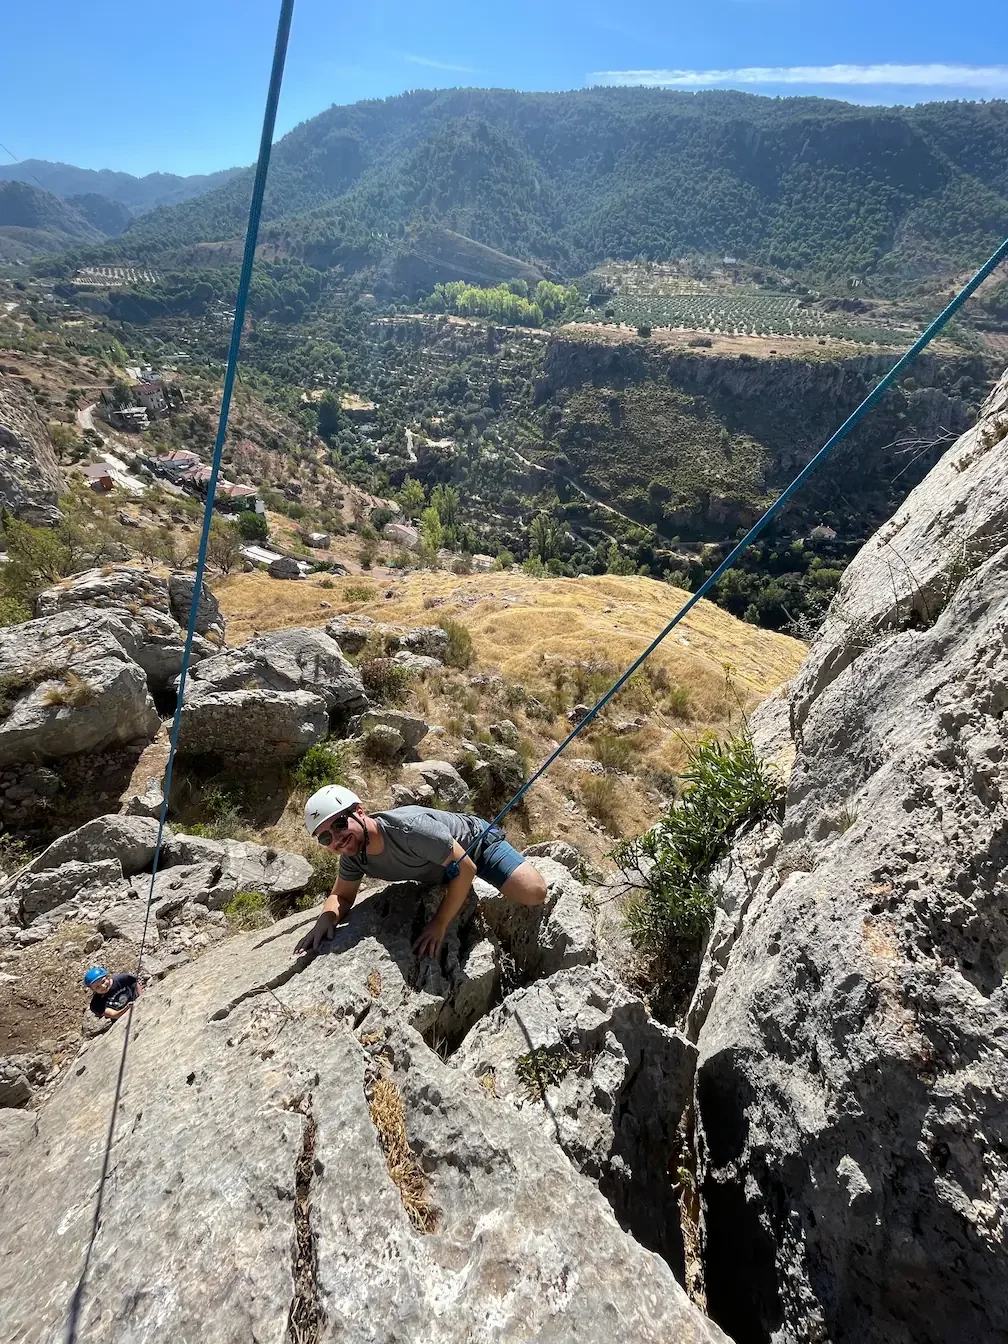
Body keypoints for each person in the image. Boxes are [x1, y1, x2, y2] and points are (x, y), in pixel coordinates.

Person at [295, 785, 548, 958]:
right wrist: (326, 919)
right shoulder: (354, 854)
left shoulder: (410, 830)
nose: (337, 838)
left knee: (533, 892)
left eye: (340, 824)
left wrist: (439, 924)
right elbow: (342, 896)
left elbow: (467, 868)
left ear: (359, 812)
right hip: (441, 868)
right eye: (325, 837)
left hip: (476, 846)